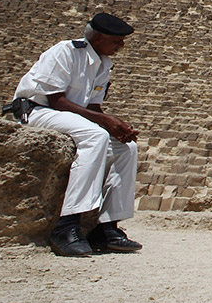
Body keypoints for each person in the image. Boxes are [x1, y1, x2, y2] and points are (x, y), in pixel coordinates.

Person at [13, 13, 142, 257]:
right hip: (39, 111)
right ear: (99, 37)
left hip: (71, 117)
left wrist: (117, 126)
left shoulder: (104, 64)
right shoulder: (66, 52)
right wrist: (105, 122)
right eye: (117, 41)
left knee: (127, 147)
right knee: (96, 136)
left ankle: (107, 227)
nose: (121, 46)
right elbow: (56, 99)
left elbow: (93, 107)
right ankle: (67, 225)